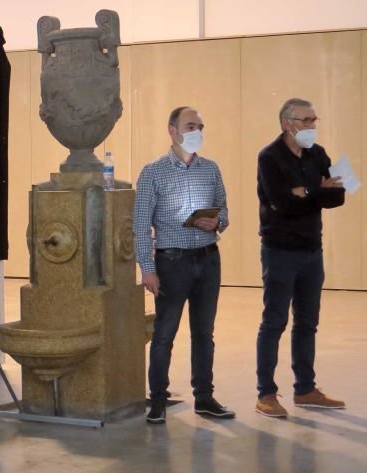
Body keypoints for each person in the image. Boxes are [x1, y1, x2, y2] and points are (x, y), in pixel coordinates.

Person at [133, 106, 234, 425]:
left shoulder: (211, 169)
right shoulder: (153, 172)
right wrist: (147, 268)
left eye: (201, 126)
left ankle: (204, 398)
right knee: (164, 334)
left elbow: (225, 214)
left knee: (204, 333)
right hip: (172, 262)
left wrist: (217, 222)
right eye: (191, 126)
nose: (197, 131)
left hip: (207, 259)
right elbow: (139, 224)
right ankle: (158, 400)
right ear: (172, 131)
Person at [254, 98, 346, 418]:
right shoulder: (268, 157)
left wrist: (305, 191)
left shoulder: (318, 154)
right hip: (279, 250)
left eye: (314, 120)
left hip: (311, 251)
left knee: (307, 323)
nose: (311, 126)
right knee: (274, 322)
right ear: (286, 123)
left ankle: (305, 388)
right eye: (305, 121)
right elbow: (281, 202)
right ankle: (266, 393)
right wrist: (316, 191)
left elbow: (340, 196)